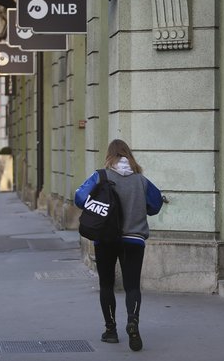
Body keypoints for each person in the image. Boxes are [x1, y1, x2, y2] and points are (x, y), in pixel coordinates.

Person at [75, 139, 163, 352]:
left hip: (105, 239)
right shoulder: (141, 180)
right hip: (134, 240)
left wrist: (99, 209)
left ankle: (111, 330)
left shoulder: (100, 176)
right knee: (132, 286)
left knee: (106, 285)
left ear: (109, 156)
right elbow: (156, 203)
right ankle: (132, 321)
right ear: (128, 155)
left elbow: (79, 198)